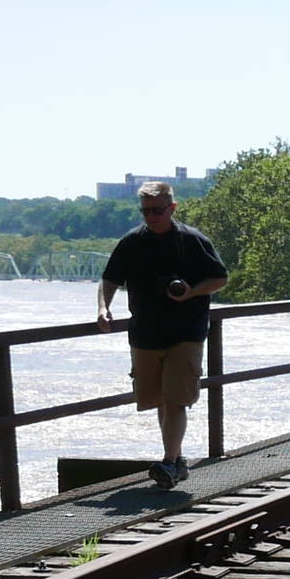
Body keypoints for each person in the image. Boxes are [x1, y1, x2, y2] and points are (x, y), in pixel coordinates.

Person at [95, 181, 228, 489]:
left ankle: (168, 462)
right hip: (145, 334)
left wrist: (192, 291)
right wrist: (103, 309)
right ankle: (176, 459)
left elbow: (220, 278)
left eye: (158, 211)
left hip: (186, 332)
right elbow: (109, 279)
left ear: (173, 208)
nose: (151, 217)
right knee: (159, 400)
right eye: (146, 211)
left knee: (176, 399)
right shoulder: (132, 242)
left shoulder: (192, 241)